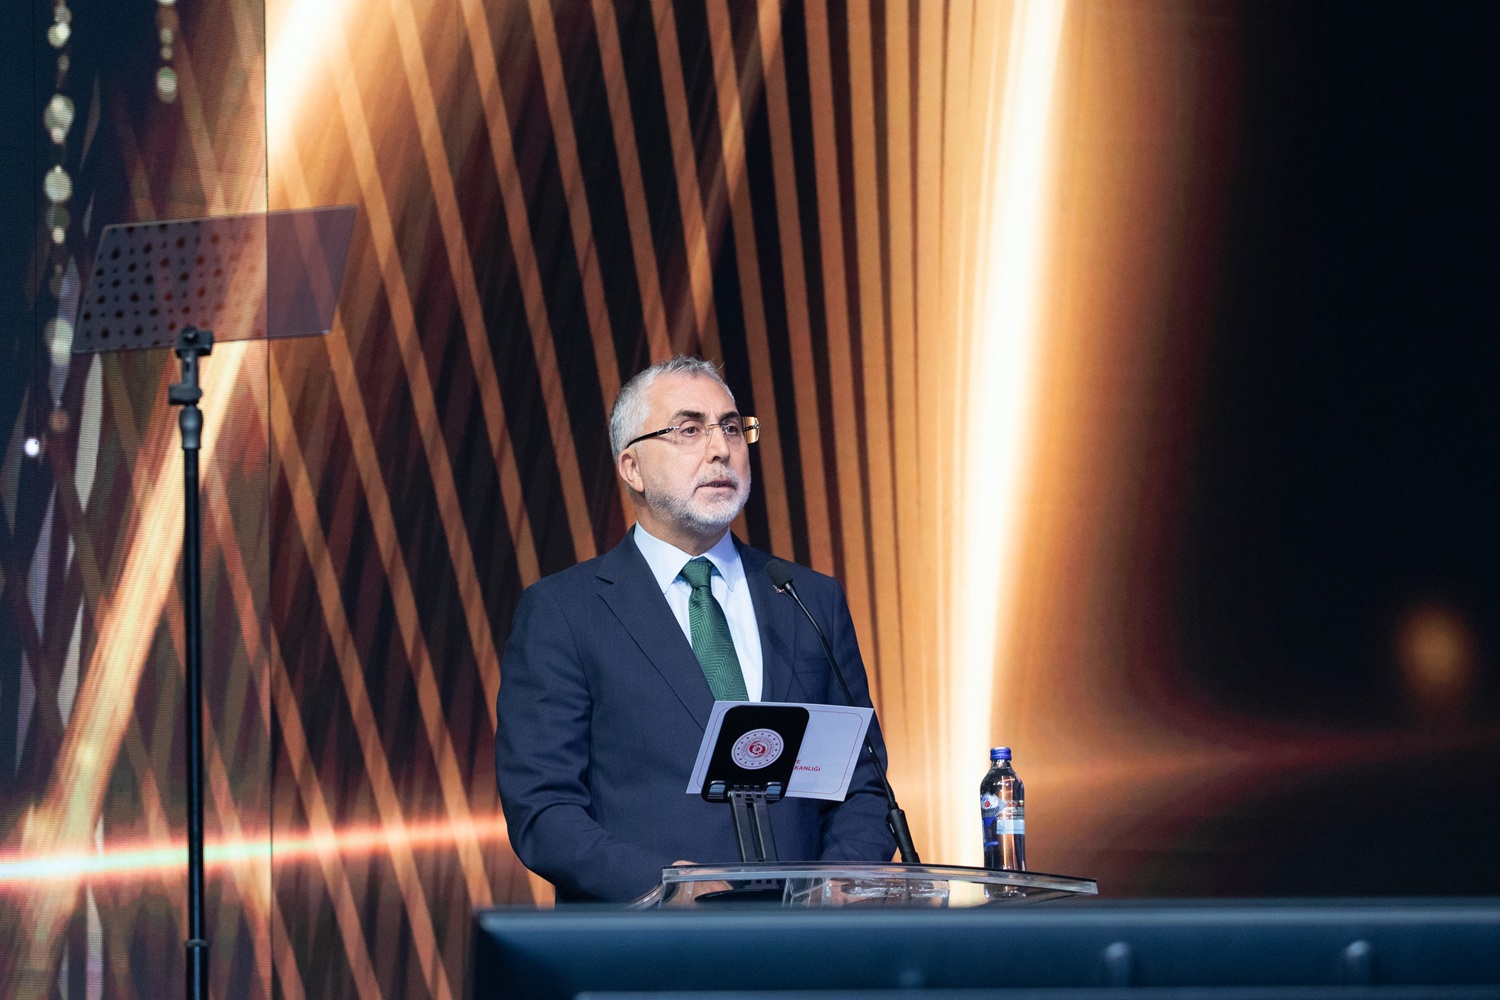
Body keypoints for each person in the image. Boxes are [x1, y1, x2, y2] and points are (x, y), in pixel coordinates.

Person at [495, 356, 897, 903]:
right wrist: (664, 885)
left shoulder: (807, 599)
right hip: (650, 944)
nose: (720, 449)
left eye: (731, 428)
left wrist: (831, 887)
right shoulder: (564, 612)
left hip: (806, 940)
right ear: (632, 468)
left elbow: (862, 783)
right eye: (689, 430)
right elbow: (543, 810)